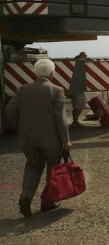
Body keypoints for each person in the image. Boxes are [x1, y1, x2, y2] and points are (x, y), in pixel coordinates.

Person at [5, 58, 72, 217]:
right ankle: (47, 202)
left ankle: (25, 197)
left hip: (27, 138)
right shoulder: (56, 90)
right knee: (52, 169)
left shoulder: (22, 89)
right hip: (51, 140)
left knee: (33, 166)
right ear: (52, 73)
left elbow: (10, 111)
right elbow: (60, 118)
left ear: (35, 73)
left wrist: (21, 128)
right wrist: (66, 140)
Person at [70, 51, 87, 127]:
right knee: (77, 106)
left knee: (79, 105)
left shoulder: (78, 62)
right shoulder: (79, 61)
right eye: (85, 55)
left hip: (78, 87)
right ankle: (75, 121)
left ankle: (75, 121)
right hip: (77, 88)